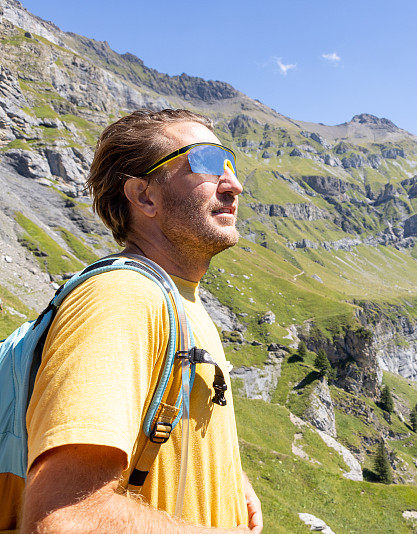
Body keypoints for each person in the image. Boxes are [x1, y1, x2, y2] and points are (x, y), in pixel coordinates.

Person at [17, 109, 263, 532]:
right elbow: (65, 517)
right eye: (206, 161)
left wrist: (224, 480)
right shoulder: (123, 297)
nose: (235, 184)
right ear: (144, 196)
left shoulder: (177, 298)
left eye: (230, 164)